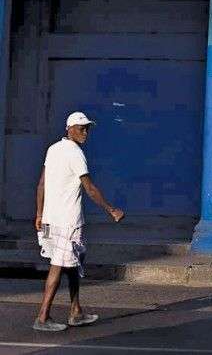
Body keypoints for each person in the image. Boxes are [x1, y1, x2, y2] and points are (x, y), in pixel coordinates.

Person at [33, 112, 124, 332]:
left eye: (87, 129)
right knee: (58, 265)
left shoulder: (53, 149)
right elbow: (90, 188)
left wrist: (39, 214)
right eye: (81, 128)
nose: (85, 133)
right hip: (66, 221)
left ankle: (76, 311)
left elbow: (41, 185)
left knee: (72, 264)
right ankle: (43, 317)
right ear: (69, 129)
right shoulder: (75, 153)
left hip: (50, 219)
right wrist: (111, 210)